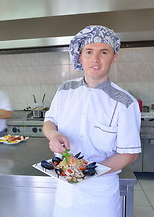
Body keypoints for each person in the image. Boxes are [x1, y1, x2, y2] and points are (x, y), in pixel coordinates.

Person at [43, 25, 141, 217]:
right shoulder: (65, 90)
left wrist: (88, 173)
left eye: (103, 52)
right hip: (65, 188)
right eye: (89, 52)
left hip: (100, 194)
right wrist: (53, 135)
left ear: (114, 57)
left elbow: (130, 153)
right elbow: (49, 121)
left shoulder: (125, 102)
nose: (95, 59)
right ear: (80, 57)